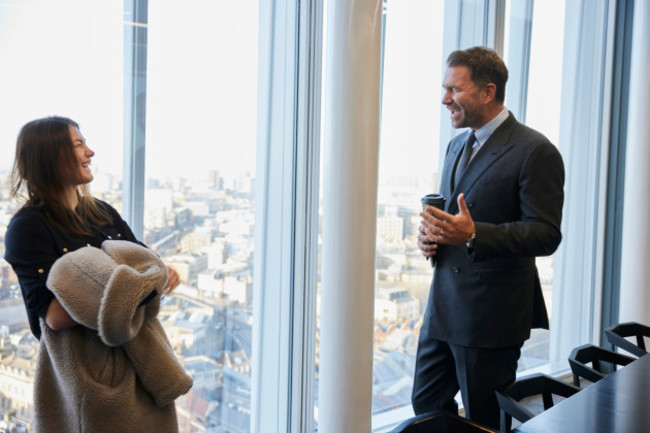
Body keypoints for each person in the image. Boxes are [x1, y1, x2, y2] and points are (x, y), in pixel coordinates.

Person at [411, 47, 565, 428]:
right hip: (443, 307)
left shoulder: (535, 151)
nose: (445, 99)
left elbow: (546, 234)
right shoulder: (456, 145)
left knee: (484, 419)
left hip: (490, 317)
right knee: (427, 405)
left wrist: (476, 233)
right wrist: (432, 235)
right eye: (444, 88)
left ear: (487, 91)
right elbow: (455, 217)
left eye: (455, 90)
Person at [3, 116, 184, 431]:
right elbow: (55, 315)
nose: (91, 152)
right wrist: (138, 285)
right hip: (86, 375)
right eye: (78, 144)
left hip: (139, 363)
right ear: (50, 156)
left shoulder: (101, 212)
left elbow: (154, 269)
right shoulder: (27, 227)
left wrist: (133, 283)